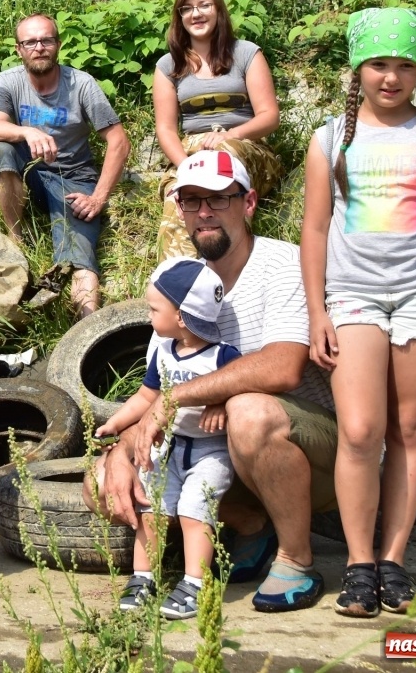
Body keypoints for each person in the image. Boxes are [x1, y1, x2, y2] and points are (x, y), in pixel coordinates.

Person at [88, 150, 338, 614]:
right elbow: (156, 383)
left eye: (220, 199)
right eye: (191, 200)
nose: (203, 211)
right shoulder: (179, 281)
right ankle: (249, 525)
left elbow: (284, 367)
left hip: (313, 452)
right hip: (217, 454)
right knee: (103, 479)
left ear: (248, 203)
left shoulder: (283, 263)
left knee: (249, 412)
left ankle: (297, 559)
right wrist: (123, 450)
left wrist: (174, 399)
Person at [301, 8, 416, 618]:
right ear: (358, 68)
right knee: (360, 431)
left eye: (405, 65)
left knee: (409, 431)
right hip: (353, 295)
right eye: (379, 63)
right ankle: (357, 562)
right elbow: (316, 227)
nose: (391, 77)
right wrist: (316, 312)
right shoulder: (331, 139)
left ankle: (393, 559)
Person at [96, 258, 241, 620]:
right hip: (169, 448)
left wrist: (221, 401)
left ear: (182, 316)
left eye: (154, 309)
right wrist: (114, 424)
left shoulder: (222, 355)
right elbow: (146, 397)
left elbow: (241, 383)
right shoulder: (163, 351)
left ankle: (195, 583)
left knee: (195, 511)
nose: (149, 316)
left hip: (211, 452)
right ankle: (143, 577)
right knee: (151, 508)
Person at [0, 14, 129, 315]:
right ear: (18, 49)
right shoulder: (9, 81)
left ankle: (86, 328)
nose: (39, 47)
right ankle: (16, 236)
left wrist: (98, 197)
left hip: (73, 178)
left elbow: (119, 141)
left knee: (80, 259)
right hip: (31, 172)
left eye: (46, 40)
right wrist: (26, 131)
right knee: (3, 150)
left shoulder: (82, 84)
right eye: (30, 42)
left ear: (58, 45)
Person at [152, 0, 282, 260]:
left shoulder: (246, 53)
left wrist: (229, 135)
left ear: (219, 10)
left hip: (245, 146)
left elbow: (270, 116)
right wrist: (186, 167)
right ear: (180, 18)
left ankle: (229, 267)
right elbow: (165, 128)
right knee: (183, 193)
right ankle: (178, 279)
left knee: (221, 161)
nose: (195, 14)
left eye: (204, 5)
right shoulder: (168, 65)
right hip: (190, 152)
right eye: (187, 9)